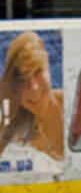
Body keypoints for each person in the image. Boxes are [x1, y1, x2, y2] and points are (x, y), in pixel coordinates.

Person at [0, 31, 64, 161]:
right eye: (23, 79)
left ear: (48, 68)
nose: (34, 87)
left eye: (38, 71)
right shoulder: (14, 131)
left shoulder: (73, 103)